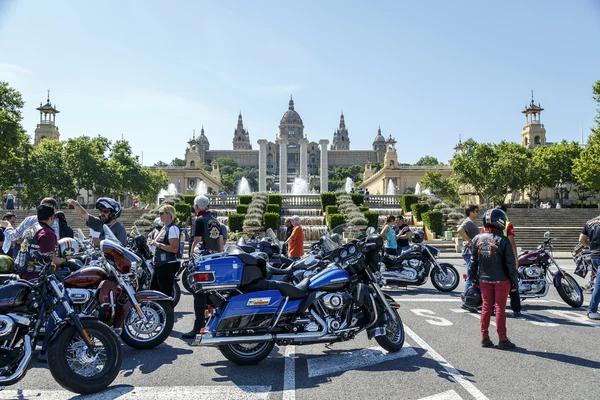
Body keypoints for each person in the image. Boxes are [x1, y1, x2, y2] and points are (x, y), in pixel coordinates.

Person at [468, 208, 518, 349]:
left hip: (483, 279)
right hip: (502, 279)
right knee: (500, 308)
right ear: (500, 221)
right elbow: (510, 264)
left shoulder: (477, 238)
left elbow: (473, 262)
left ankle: (484, 337)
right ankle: (502, 338)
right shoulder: (503, 240)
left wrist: (472, 278)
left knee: (485, 307)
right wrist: (514, 282)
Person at [182, 195, 224, 340]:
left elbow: (198, 240)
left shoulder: (199, 220)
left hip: (202, 261)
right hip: (213, 259)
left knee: (199, 294)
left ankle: (199, 326)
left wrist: (191, 256)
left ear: (197, 206)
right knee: (211, 294)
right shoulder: (214, 220)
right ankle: (213, 323)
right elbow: (220, 240)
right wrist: (219, 256)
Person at [147, 205, 180, 297]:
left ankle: (167, 310)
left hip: (167, 264)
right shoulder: (164, 227)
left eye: (162, 213)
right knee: (153, 291)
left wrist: (157, 244)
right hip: (159, 263)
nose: (159, 215)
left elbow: (174, 248)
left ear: (169, 214)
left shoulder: (173, 228)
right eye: (159, 213)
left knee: (165, 293)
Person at [498, 204, 521, 317]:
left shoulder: (486, 226)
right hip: (507, 257)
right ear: (505, 213)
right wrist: (516, 259)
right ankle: (516, 308)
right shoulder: (507, 225)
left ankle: (492, 307)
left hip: (492, 258)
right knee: (513, 282)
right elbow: (512, 243)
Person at [458, 205, 480, 311]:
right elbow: (460, 230)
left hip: (472, 252)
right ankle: (466, 301)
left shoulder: (472, 222)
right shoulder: (468, 222)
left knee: (472, 276)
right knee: (470, 277)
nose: (477, 213)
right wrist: (470, 240)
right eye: (476, 211)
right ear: (470, 212)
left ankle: (470, 300)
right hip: (469, 252)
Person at [579, 213, 600, 320]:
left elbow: (581, 239)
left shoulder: (590, 223)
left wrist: (590, 246)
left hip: (594, 255)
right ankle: (592, 310)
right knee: (599, 284)